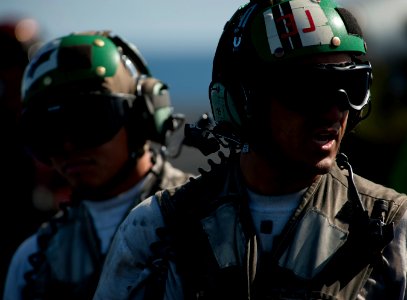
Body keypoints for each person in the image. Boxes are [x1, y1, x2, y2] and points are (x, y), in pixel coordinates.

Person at [93, 0, 407, 299]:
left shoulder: (392, 227)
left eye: (351, 86)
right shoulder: (155, 229)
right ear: (243, 103)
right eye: (306, 90)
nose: (333, 111)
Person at [3, 30, 193, 300]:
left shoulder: (214, 224)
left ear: (141, 118)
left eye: (89, 121)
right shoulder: (33, 260)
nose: (68, 147)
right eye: (48, 131)